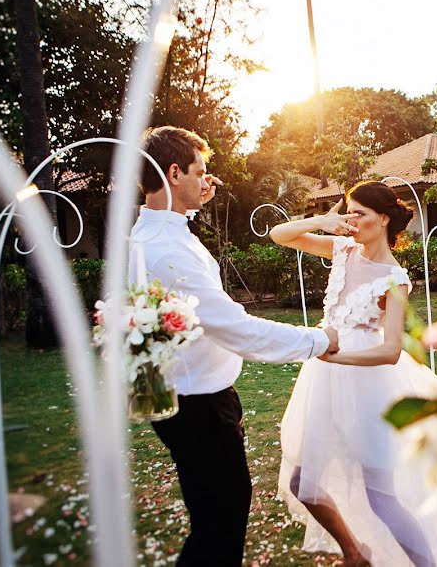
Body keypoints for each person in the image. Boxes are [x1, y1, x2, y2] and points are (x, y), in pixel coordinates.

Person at [128, 126, 340, 566]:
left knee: (215, 519)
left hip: (190, 396)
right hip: (198, 406)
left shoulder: (154, 233)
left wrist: (196, 192)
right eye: (200, 171)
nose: (209, 181)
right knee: (219, 527)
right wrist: (319, 340)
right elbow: (235, 329)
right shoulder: (166, 248)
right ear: (172, 172)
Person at [272, 181, 437, 567]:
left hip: (367, 386)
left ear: (383, 219)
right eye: (347, 211)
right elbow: (279, 235)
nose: (351, 220)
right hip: (324, 383)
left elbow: (390, 349)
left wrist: (335, 358)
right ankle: (356, 552)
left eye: (359, 213)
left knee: (381, 496)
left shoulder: (393, 278)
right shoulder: (340, 249)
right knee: (304, 483)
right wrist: (324, 219)